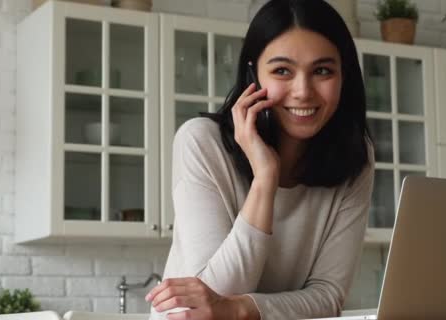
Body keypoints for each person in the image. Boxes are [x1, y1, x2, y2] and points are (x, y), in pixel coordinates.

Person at [146, 0, 374, 319]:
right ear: (254, 73)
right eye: (282, 70)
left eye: (322, 71)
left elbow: (328, 295)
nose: (303, 91)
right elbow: (211, 300)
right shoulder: (201, 141)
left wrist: (242, 308)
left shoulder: (355, 157)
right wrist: (265, 178)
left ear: (344, 76)